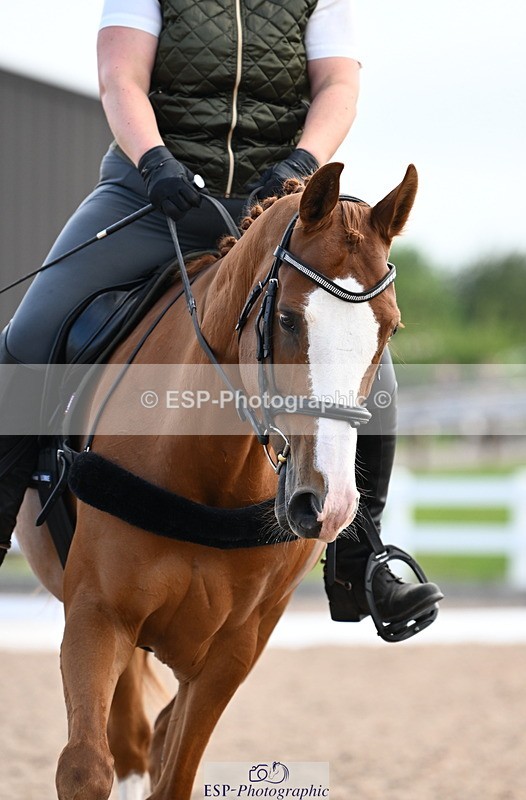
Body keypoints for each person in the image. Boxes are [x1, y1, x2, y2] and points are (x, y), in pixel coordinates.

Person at [0, 0, 442, 627]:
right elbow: (120, 76)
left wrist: (300, 164)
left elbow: (339, 83)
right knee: (31, 333)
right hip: (154, 195)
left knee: (376, 369)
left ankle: (361, 557)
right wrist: (153, 162)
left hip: (282, 206)